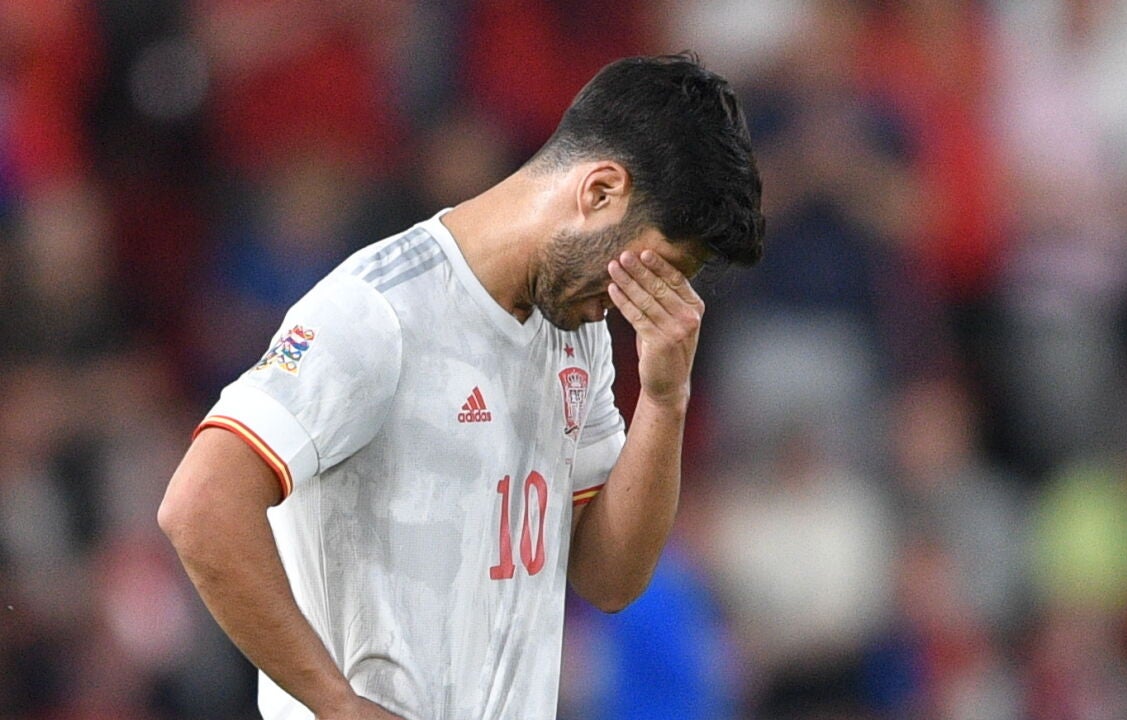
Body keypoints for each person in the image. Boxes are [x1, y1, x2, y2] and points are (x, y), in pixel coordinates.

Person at [157, 53, 764, 720]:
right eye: (659, 265)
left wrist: (665, 400)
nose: (637, 300)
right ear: (599, 192)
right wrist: (337, 705)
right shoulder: (379, 312)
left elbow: (609, 581)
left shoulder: (578, 335)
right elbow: (200, 505)